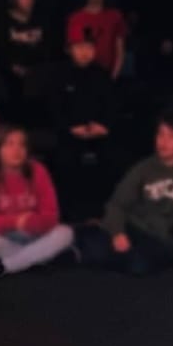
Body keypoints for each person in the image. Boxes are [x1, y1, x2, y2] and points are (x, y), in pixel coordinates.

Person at [75, 109, 173, 275]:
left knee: (140, 265)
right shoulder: (144, 168)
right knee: (94, 249)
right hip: (135, 227)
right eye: (160, 135)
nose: (163, 142)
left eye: (172, 136)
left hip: (164, 238)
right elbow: (117, 204)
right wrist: (118, 233)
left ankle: (168, 257)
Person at [0, 126, 74, 279]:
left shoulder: (37, 171)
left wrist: (31, 222)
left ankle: (5, 266)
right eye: (9, 144)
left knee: (65, 233)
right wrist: (15, 222)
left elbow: (51, 215)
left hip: (34, 233)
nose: (17, 150)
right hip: (3, 235)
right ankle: (40, 257)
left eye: (21, 145)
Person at [54, 25, 118, 220]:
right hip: (69, 132)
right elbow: (54, 109)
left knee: (114, 157)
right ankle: (68, 215)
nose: (84, 52)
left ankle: (107, 213)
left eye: (89, 47)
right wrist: (71, 128)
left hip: (99, 132)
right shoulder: (59, 75)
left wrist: (103, 126)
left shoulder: (102, 74)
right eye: (79, 47)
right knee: (65, 159)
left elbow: (112, 105)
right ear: (69, 49)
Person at [0, 0, 51, 123]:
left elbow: (48, 49)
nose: (29, 0)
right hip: (11, 80)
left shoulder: (42, 18)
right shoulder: (3, 21)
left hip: (39, 77)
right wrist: (13, 67)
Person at [64, 0, 128, 80]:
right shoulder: (76, 18)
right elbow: (75, 52)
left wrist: (113, 77)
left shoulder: (115, 16)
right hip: (83, 76)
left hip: (108, 74)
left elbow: (120, 51)